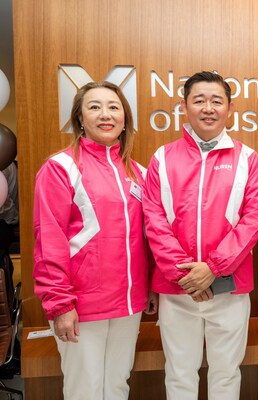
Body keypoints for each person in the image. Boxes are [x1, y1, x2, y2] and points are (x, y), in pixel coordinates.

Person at [143, 71, 258, 400]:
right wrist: (185, 274)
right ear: (184, 107)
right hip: (177, 289)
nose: (208, 108)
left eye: (216, 100)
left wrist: (213, 268)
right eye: (199, 100)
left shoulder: (247, 158)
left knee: (226, 374)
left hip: (229, 289)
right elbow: (153, 218)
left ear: (229, 108)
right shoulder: (162, 157)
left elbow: (253, 219)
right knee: (179, 374)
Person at [33, 81, 157, 400]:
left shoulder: (138, 173)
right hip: (81, 305)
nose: (106, 114)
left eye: (114, 107)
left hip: (128, 304)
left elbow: (147, 238)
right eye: (95, 107)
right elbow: (50, 239)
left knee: (117, 385)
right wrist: (60, 304)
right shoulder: (60, 168)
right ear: (80, 118)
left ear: (125, 119)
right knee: (84, 390)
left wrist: (151, 286)